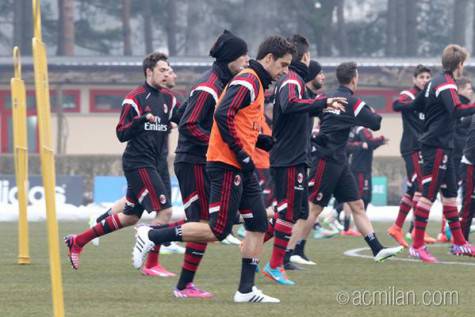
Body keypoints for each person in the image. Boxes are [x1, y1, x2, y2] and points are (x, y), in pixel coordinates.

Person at [132, 36, 296, 303]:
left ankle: (245, 290)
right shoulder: (243, 80)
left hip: (236, 162)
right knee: (215, 229)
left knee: (258, 222)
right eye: (284, 65)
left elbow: (238, 120)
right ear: (268, 59)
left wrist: (259, 141)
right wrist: (240, 151)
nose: (286, 71)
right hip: (216, 162)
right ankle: (151, 235)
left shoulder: (248, 81)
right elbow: (214, 117)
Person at [64, 52, 181, 273]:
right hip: (138, 162)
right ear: (149, 72)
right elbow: (121, 133)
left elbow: (184, 118)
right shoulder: (135, 98)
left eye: (168, 70)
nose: (167, 74)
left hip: (159, 162)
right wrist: (141, 120)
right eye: (162, 70)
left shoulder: (170, 98)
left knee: (130, 216)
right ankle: (152, 264)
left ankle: (78, 241)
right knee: (164, 212)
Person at [263, 35, 346, 285]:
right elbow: (289, 105)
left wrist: (319, 107)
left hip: (296, 157)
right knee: (288, 212)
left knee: (295, 211)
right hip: (288, 158)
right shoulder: (292, 80)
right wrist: (322, 102)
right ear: (305, 57)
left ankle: (255, 242)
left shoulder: (295, 80)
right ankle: (274, 265)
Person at [173, 30, 249, 298]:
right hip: (191, 161)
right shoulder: (210, 86)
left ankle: (184, 285)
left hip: (202, 160)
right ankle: (152, 238)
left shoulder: (222, 82)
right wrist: (218, 142)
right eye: (243, 56)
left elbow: (179, 113)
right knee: (204, 225)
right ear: (230, 58)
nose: (247, 61)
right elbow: (188, 124)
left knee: (206, 224)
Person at [307, 62, 403, 262]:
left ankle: (376, 249)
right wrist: (365, 112)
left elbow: (314, 113)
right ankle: (291, 252)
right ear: (354, 78)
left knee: (357, 204)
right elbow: (375, 122)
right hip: (328, 159)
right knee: (314, 207)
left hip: (339, 160)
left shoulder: (327, 98)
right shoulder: (353, 102)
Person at [408, 44, 475, 263]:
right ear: (459, 64)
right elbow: (456, 111)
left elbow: (416, 106)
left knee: (450, 196)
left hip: (441, 145)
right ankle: (417, 245)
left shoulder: (433, 83)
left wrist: (432, 119)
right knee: (428, 194)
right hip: (436, 146)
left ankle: (459, 243)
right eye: (464, 62)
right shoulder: (446, 84)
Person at [387, 65, 432, 248]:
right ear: (414, 80)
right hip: (411, 148)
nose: (425, 80)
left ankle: (398, 227)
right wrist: (413, 104)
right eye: (421, 77)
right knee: (421, 187)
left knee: (414, 188)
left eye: (428, 77)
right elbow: (396, 104)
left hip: (423, 148)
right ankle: (413, 229)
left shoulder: (429, 99)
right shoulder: (410, 95)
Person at [349, 126, 387, 210]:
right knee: (362, 196)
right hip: (361, 169)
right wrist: (381, 139)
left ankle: (340, 216)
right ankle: (339, 216)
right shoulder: (361, 130)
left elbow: (369, 145)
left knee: (364, 197)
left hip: (362, 168)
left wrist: (378, 143)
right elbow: (369, 142)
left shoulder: (356, 130)